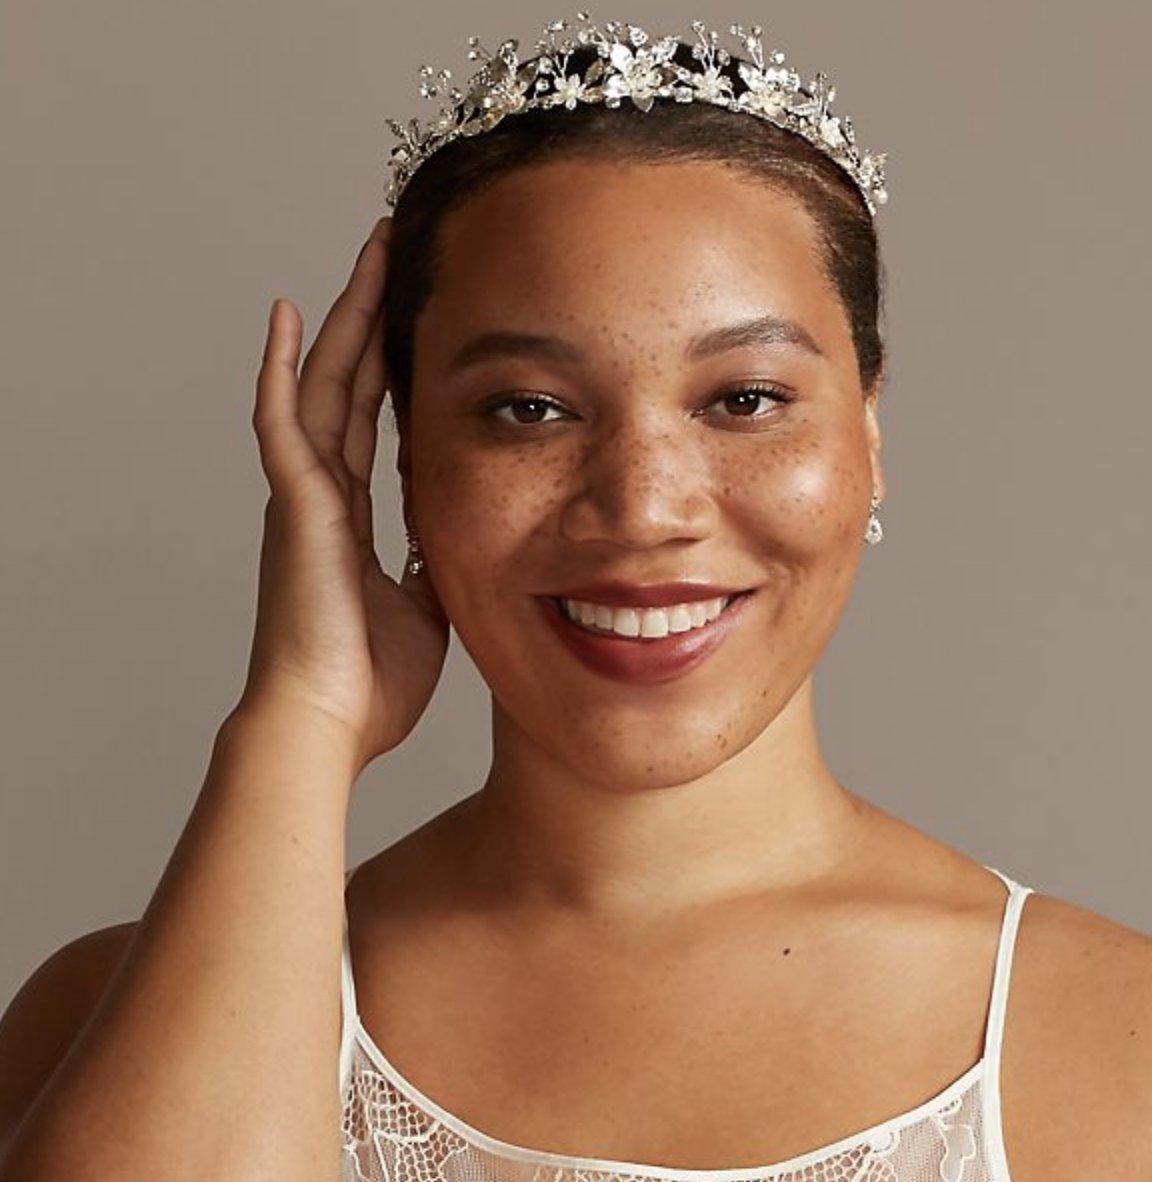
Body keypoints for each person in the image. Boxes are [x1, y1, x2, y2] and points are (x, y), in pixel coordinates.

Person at [1, 14, 1149, 1182]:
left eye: (745, 398)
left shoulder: (1115, 1045)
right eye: (530, 409)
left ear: (867, 430)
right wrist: (299, 717)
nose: (645, 507)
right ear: (404, 461)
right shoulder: (105, 1027)